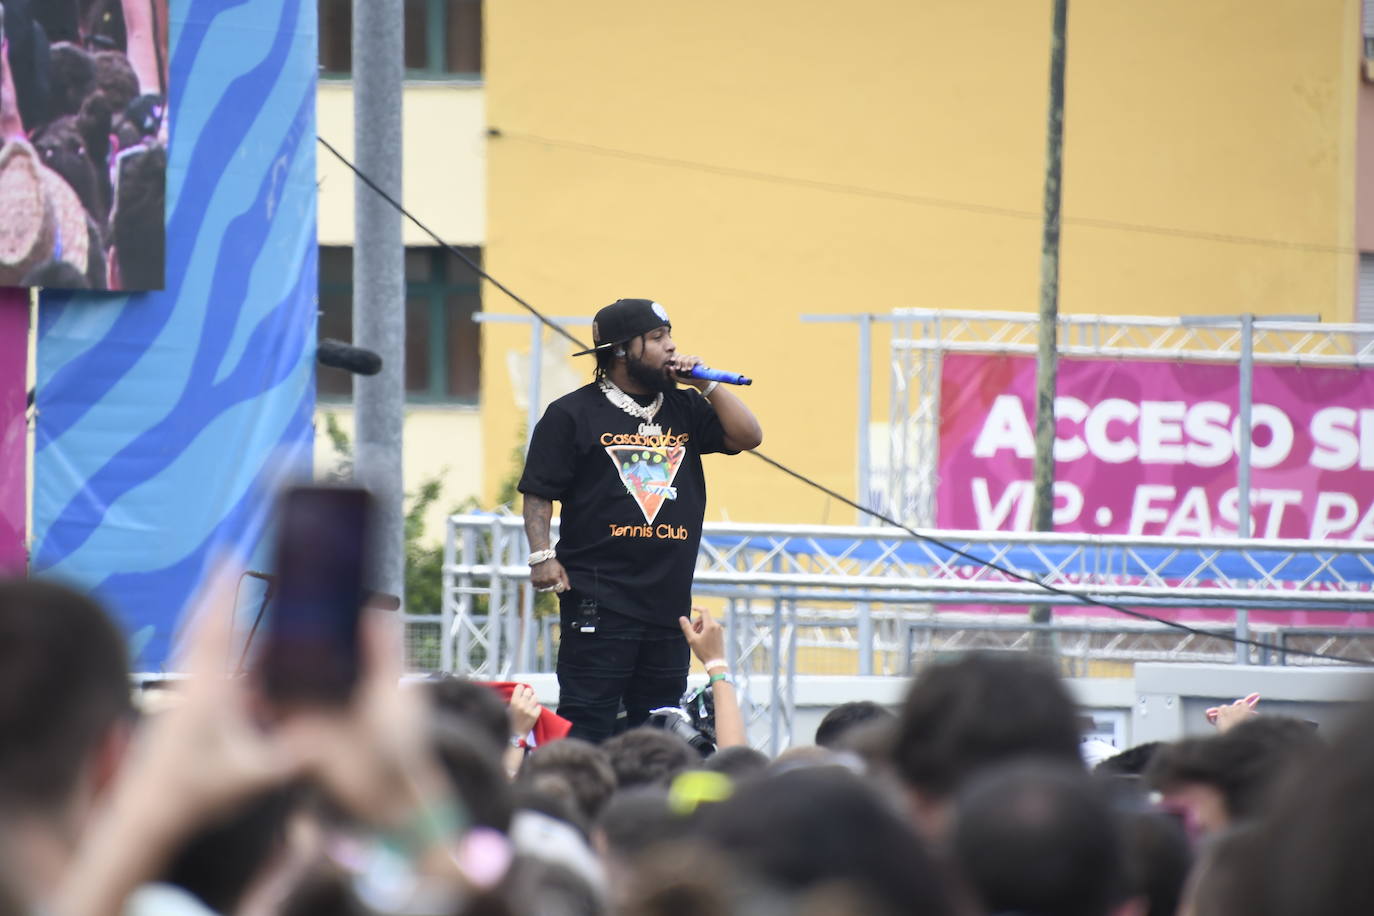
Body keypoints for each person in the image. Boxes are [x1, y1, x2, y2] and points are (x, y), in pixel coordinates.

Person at [518, 298, 762, 742]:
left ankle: (647, 812)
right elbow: (539, 491)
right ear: (620, 350)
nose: (671, 347)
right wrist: (541, 556)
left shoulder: (684, 406)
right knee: (588, 722)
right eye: (655, 338)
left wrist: (706, 385)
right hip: (598, 596)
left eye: (669, 335)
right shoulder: (571, 414)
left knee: (662, 731)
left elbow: (748, 435)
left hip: (668, 604)